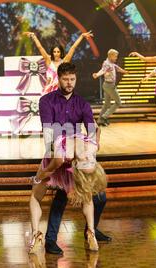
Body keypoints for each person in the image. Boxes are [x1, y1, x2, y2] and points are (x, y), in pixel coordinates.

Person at [38, 62, 111, 256]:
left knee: (100, 197)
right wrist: (59, 154)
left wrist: (91, 147)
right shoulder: (46, 101)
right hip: (58, 152)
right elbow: (48, 132)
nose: (69, 83)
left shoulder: (82, 103)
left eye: (72, 79)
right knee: (62, 196)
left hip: (77, 152)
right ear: (59, 79)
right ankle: (50, 240)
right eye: (65, 79)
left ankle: (90, 230)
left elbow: (92, 129)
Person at [28, 133, 107, 254]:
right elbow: (48, 170)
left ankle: (91, 231)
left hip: (59, 159)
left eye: (90, 160)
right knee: (37, 196)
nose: (88, 158)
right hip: (58, 160)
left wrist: (36, 179)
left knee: (36, 196)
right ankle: (36, 233)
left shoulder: (91, 148)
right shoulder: (90, 147)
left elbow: (48, 170)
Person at [24, 31, 94, 95]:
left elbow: (73, 48)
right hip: (49, 91)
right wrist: (33, 36)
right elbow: (40, 47)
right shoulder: (48, 61)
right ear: (52, 52)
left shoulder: (64, 62)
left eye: (58, 52)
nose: (56, 54)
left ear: (61, 53)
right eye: (54, 52)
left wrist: (81, 36)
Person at [93, 49, 129, 126]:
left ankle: (100, 120)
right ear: (111, 56)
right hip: (109, 85)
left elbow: (117, 68)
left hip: (108, 85)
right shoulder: (106, 63)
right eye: (115, 56)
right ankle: (104, 116)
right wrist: (97, 74)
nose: (116, 58)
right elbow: (102, 70)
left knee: (106, 104)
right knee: (118, 102)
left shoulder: (112, 63)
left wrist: (125, 71)